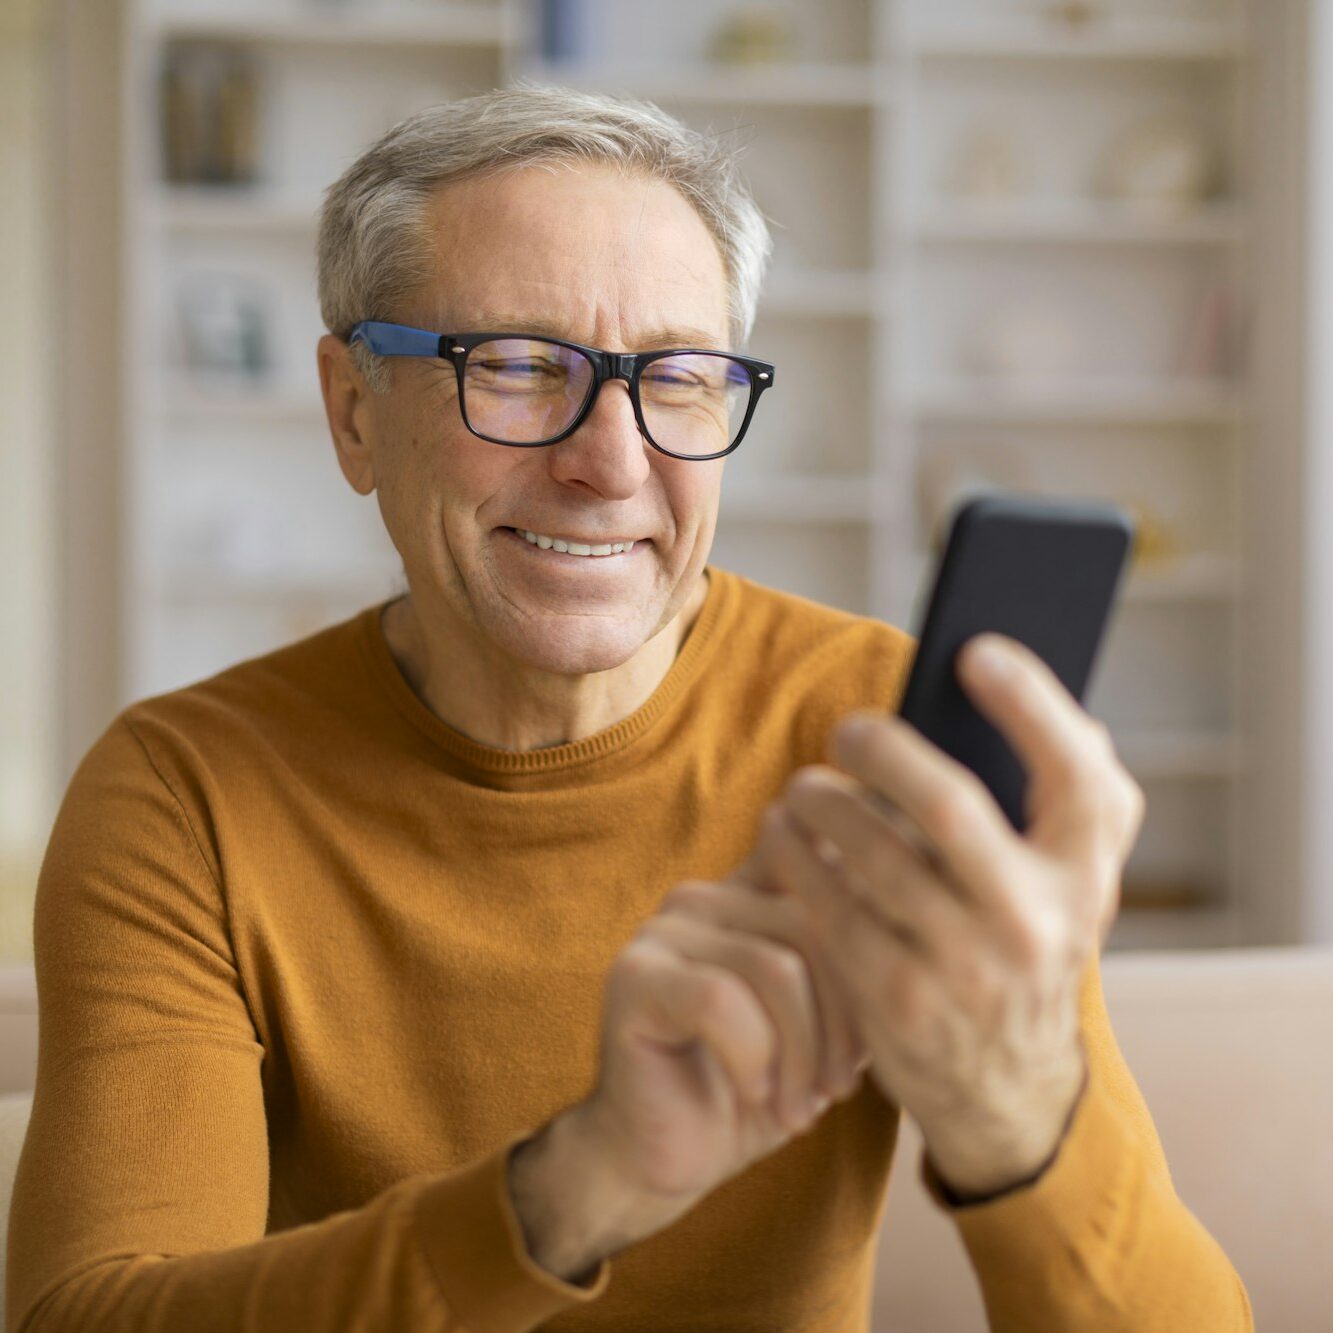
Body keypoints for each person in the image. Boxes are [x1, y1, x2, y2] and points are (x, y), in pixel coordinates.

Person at [7, 85, 1252, 1332]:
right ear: (352, 412)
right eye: (516, 365)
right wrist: (582, 1182)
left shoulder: (888, 741)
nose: (609, 462)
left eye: (682, 377)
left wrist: (1021, 1111)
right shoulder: (185, 794)